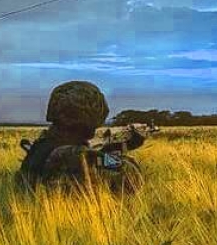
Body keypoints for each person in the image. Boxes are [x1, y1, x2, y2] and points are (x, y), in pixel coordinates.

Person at [18, 81, 146, 193]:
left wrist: (107, 151)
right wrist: (117, 150)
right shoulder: (74, 154)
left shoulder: (41, 145)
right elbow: (131, 179)